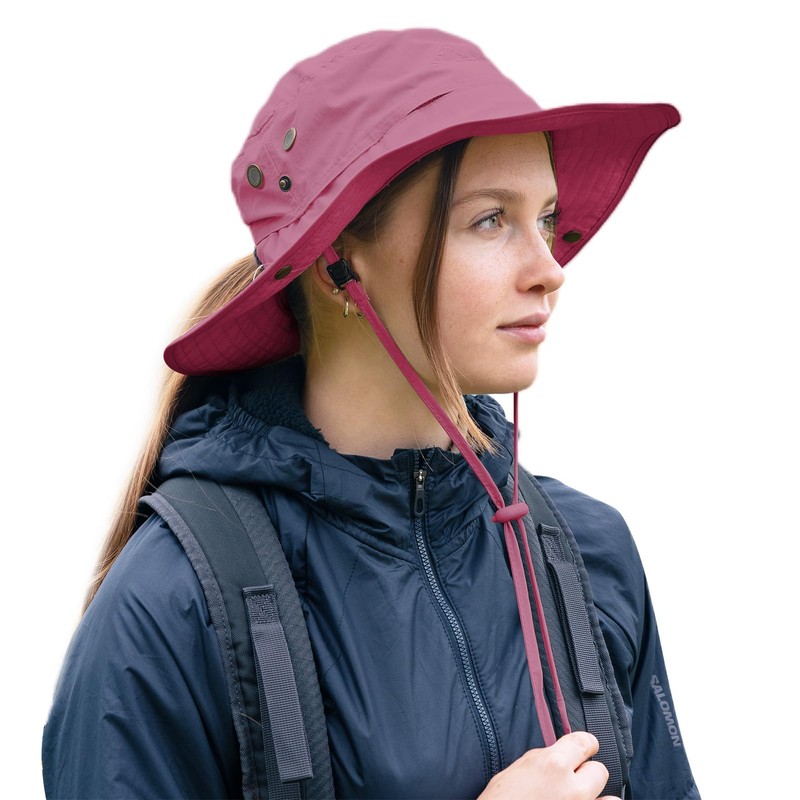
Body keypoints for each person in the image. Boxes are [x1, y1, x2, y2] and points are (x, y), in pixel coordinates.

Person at [42, 28, 700, 800]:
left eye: (547, 220)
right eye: (490, 220)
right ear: (336, 265)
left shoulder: (590, 554)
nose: (549, 268)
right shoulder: (171, 604)